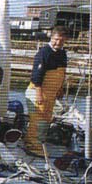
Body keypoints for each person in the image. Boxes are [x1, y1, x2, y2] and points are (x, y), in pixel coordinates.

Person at [24, 25, 69, 154]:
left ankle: (40, 143)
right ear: (51, 37)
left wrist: (60, 89)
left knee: (46, 119)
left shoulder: (62, 54)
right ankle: (32, 145)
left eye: (61, 40)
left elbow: (61, 73)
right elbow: (36, 76)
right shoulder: (43, 53)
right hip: (38, 92)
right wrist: (39, 94)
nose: (58, 43)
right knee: (37, 120)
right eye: (56, 39)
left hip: (51, 94)